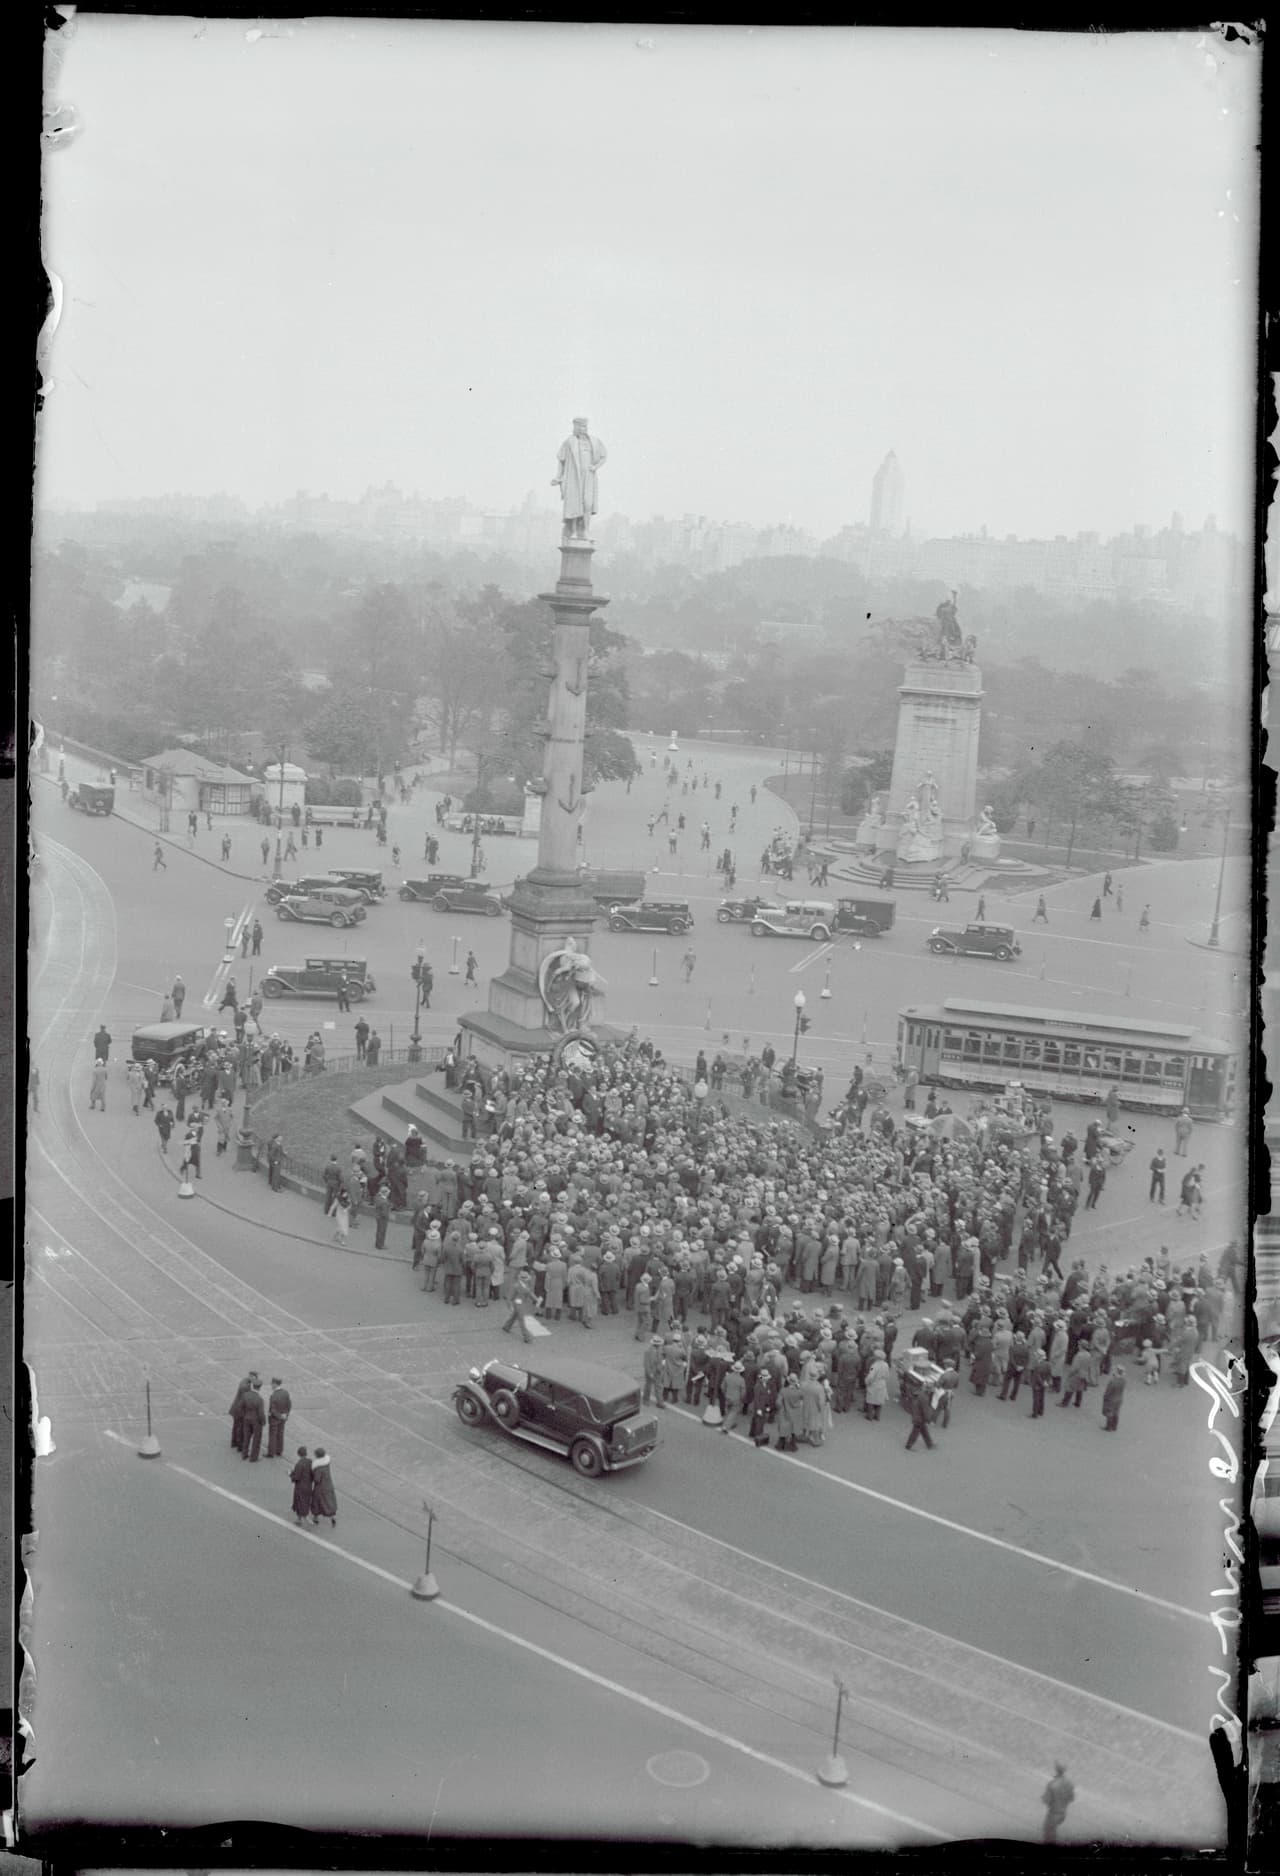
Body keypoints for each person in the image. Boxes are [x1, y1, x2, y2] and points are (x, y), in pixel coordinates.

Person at [552, 416, 608, 541]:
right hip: (573, 478)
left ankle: (585, 530)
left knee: (587, 504)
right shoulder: (569, 442)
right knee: (574, 505)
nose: (579, 428)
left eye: (582, 426)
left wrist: (595, 467)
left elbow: (604, 456)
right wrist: (558, 476)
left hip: (588, 477)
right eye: (577, 426)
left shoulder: (594, 441)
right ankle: (573, 530)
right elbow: (561, 460)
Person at [1041, 1764, 1075, 1843]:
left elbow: (1046, 1800)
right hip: (1063, 1813)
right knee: (1053, 1831)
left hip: (1053, 1812)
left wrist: (1044, 1798)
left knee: (1048, 1832)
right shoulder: (1069, 1784)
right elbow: (1071, 1798)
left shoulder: (1052, 1784)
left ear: (1056, 1770)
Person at [228, 1371, 260, 1451]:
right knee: (240, 1428)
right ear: (251, 1377)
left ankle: (234, 1442)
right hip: (240, 1410)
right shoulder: (246, 1387)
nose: (254, 1380)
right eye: (254, 1378)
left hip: (236, 1408)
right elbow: (246, 1401)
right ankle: (239, 1445)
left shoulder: (244, 1381)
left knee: (236, 1427)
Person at [309, 1447, 338, 1526]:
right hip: (328, 1484)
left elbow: (317, 1479)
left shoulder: (318, 1466)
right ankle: (332, 1517)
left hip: (320, 1487)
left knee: (316, 1501)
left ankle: (315, 1518)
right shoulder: (326, 1463)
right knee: (329, 1501)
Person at [240, 1378, 266, 1462]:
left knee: (246, 1437)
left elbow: (241, 1407)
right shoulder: (259, 1399)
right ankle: (253, 1457)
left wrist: (245, 1415)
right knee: (256, 1439)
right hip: (256, 1421)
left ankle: (244, 1454)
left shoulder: (245, 1395)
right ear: (259, 1388)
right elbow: (261, 1413)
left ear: (252, 1386)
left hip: (247, 1419)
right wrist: (263, 1421)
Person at [267, 1378, 292, 1457]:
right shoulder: (285, 1393)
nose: (271, 1385)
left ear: (275, 1384)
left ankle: (271, 1452)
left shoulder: (273, 1396)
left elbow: (273, 1410)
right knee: (280, 1434)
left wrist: (279, 1416)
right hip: (283, 1418)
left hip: (275, 1419)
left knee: (272, 1435)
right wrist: (285, 1415)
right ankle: (279, 1451)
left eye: (272, 1383)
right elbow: (289, 1405)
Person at [289, 1447, 313, 1523]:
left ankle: (299, 1519)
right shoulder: (310, 1462)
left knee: (299, 1501)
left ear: (298, 1454)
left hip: (300, 1487)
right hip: (308, 1485)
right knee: (306, 1501)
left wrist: (290, 1474)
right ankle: (305, 1514)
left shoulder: (299, 1464)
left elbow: (297, 1477)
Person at [1101, 1364, 1126, 1432]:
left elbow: (1108, 1391)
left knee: (1109, 1413)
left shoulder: (1113, 1381)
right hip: (1119, 1399)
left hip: (1111, 1399)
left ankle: (1108, 1427)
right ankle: (1114, 1426)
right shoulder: (1123, 1380)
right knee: (1116, 1413)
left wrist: (1105, 1397)